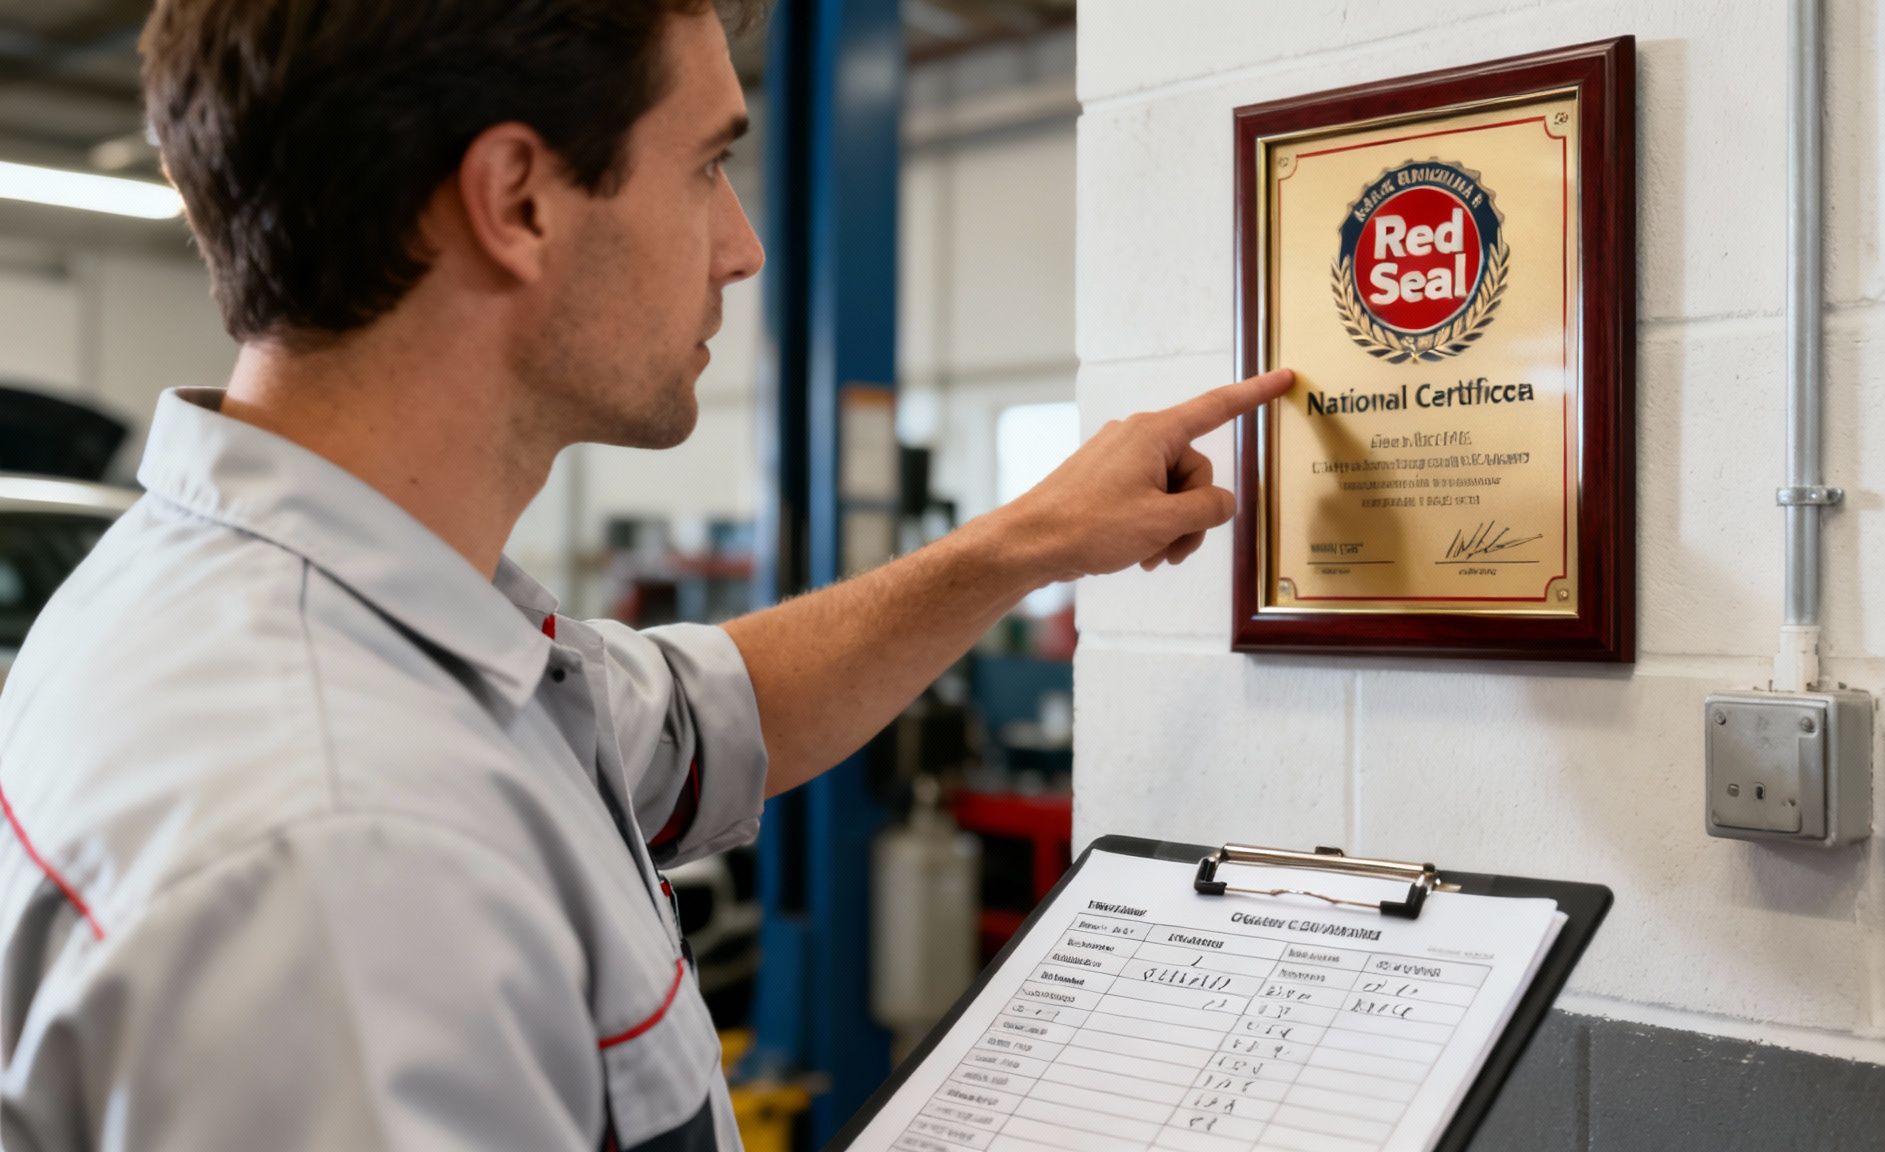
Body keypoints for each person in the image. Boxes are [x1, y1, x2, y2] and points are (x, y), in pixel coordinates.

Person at [0, 2, 1291, 1149]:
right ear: (518, 201)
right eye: (710, 165)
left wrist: (1030, 541)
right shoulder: (349, 861)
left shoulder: (277, 603)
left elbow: (698, 716)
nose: (742, 247)